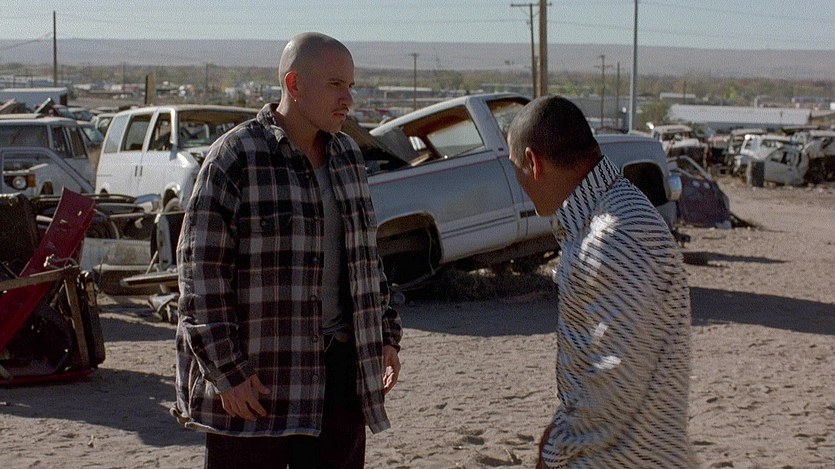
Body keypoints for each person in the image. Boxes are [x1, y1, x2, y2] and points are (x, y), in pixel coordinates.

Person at [172, 32, 402, 469]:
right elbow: (200, 274)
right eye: (336, 85)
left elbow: (366, 259)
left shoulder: (348, 157)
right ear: (294, 84)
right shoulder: (235, 157)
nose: (348, 99)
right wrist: (227, 372)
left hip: (339, 377)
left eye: (351, 86)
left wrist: (386, 336)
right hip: (258, 383)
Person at [506, 96, 695, 468]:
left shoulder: (613, 234)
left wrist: (553, 451)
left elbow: (616, 381)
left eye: (516, 168)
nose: (519, 182)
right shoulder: (613, 216)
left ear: (533, 162)